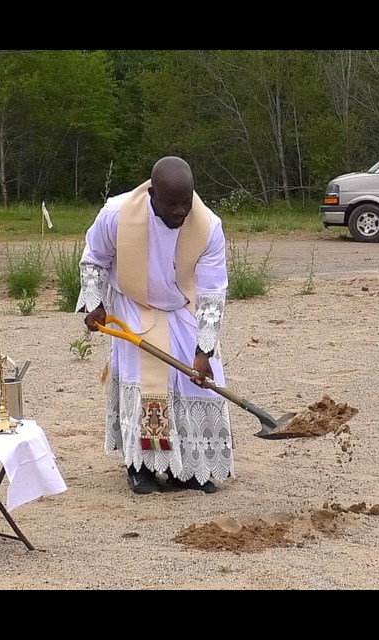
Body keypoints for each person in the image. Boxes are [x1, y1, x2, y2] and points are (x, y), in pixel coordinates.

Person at [78, 156, 232, 495]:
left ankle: (189, 468)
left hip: (183, 306)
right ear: (152, 195)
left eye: (186, 203)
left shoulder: (209, 226)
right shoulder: (117, 214)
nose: (180, 212)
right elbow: (94, 258)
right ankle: (140, 467)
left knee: (193, 384)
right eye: (171, 203)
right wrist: (94, 303)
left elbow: (211, 291)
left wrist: (203, 349)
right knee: (146, 387)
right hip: (134, 305)